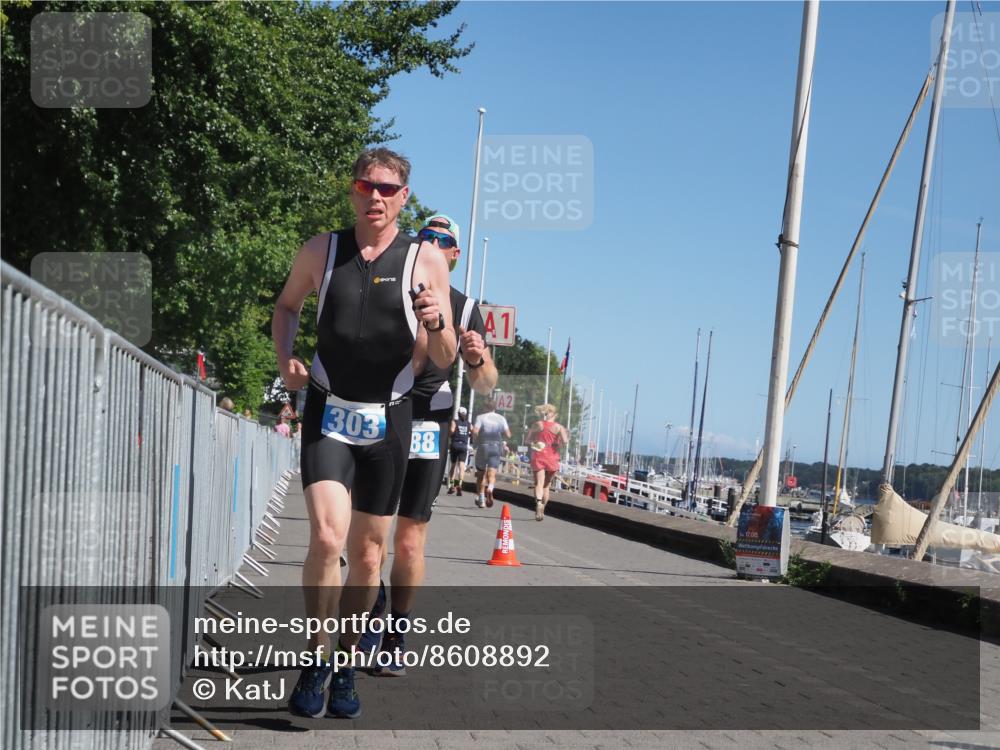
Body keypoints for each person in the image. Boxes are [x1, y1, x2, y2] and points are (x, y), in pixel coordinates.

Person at [271, 148, 455, 719]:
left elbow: (445, 358)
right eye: (364, 186)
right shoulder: (322, 250)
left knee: (369, 556)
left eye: (387, 188)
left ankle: (347, 661)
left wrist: (438, 323)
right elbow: (286, 307)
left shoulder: (425, 260)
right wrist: (285, 360)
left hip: (390, 418)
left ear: (404, 197)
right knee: (328, 538)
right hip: (329, 407)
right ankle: (315, 656)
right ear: (352, 191)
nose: (374, 196)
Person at [365, 214, 497, 676]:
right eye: (425, 236)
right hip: (382, 415)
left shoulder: (464, 307)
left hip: (429, 422)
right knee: (370, 536)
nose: (432, 244)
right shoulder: (389, 283)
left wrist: (477, 356)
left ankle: (395, 636)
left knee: (409, 538)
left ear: (456, 256)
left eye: (443, 241)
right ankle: (372, 605)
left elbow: (485, 383)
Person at [527, 404, 568, 521]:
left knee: (538, 483)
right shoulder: (559, 427)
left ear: (544, 414)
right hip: (552, 458)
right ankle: (543, 508)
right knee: (546, 486)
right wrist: (559, 442)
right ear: (555, 415)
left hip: (539, 455)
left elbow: (528, 440)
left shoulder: (537, 424)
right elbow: (565, 442)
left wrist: (537, 444)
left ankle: (538, 503)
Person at [472, 399, 511, 508]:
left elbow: (475, 431)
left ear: (485, 407)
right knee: (492, 474)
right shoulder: (501, 418)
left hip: (483, 447)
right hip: (496, 448)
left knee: (481, 474)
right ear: (495, 407)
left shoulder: (480, 417)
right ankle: (490, 488)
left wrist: (476, 440)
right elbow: (508, 434)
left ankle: (481, 499)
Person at [447, 406, 472, 496]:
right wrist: (469, 436)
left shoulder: (455, 422)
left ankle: (452, 484)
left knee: (453, 465)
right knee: (462, 466)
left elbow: (452, 430)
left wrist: (449, 436)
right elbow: (473, 431)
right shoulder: (468, 423)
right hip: (464, 446)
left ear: (458, 413)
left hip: (455, 444)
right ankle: (460, 484)